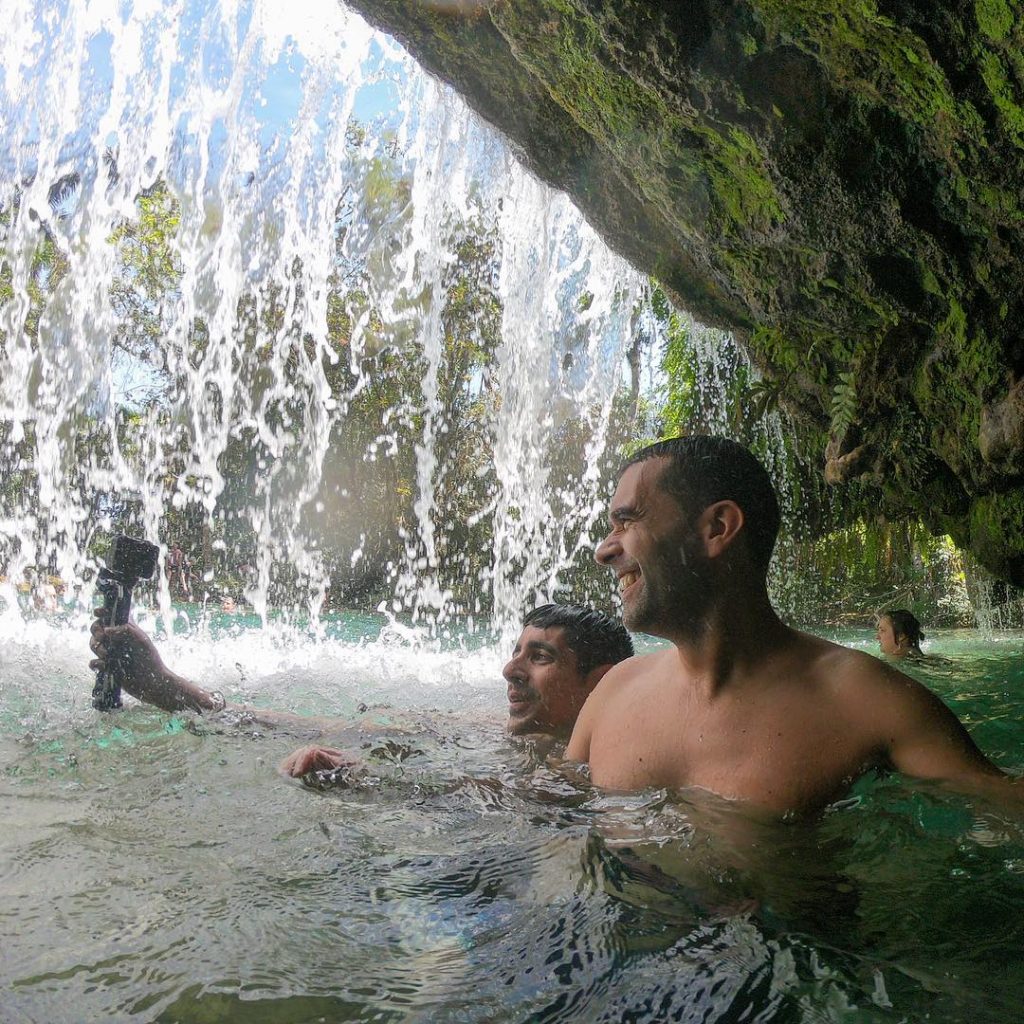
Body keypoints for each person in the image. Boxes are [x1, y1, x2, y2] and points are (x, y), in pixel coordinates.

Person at [566, 435, 1024, 817]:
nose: (604, 551)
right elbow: (555, 808)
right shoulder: (612, 693)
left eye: (626, 521)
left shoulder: (864, 700)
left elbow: (1001, 806)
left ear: (717, 528)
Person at [88, 602, 633, 770]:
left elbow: (486, 801)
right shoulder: (490, 732)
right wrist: (171, 687)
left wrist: (368, 783)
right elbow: (336, 729)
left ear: (599, 683)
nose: (510, 671)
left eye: (539, 658)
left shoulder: (600, 765)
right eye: (515, 652)